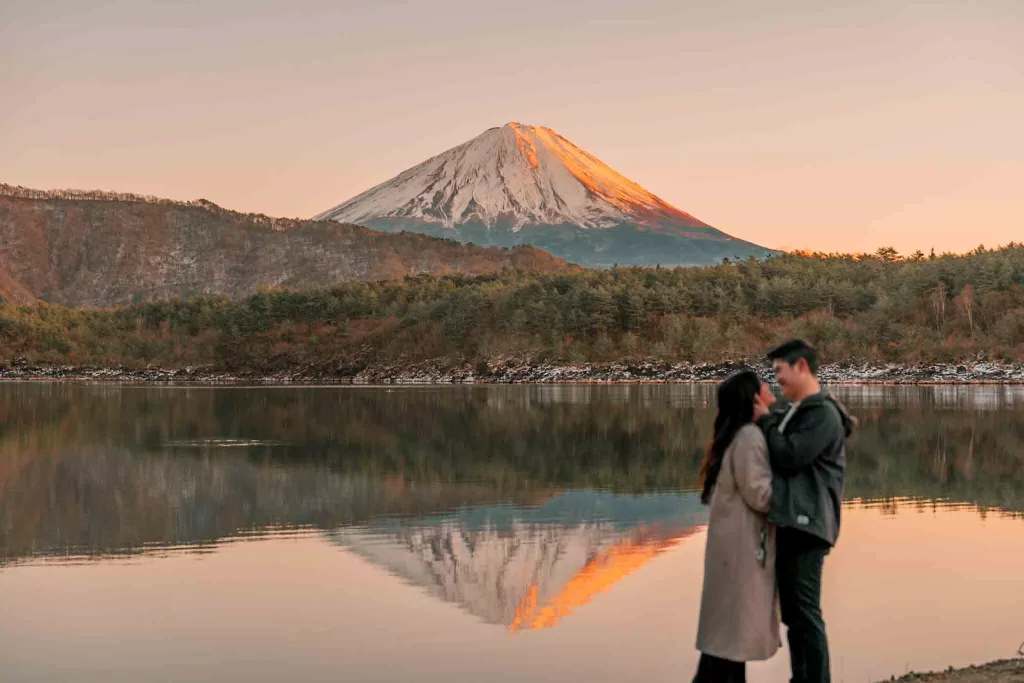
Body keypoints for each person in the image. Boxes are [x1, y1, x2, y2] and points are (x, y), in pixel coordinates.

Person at [754, 340, 855, 683]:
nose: (776, 380)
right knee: (795, 614)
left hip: (808, 523)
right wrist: (767, 413)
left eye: (779, 371)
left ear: (800, 366)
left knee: (805, 613)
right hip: (793, 523)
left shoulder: (823, 414)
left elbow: (790, 455)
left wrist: (765, 420)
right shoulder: (797, 411)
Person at [694, 370, 782, 683]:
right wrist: (798, 499)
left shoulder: (737, 437)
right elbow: (761, 495)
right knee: (729, 645)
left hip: (731, 553)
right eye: (763, 386)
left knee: (724, 648)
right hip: (741, 557)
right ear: (754, 397)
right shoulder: (749, 437)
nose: (770, 388)